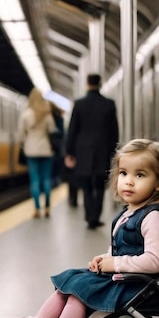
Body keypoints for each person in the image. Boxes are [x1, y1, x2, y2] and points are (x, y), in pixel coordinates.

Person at [0, 139, 159, 318]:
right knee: (70, 282)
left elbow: (154, 261)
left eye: (140, 175)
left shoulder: (155, 217)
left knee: (82, 293)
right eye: (124, 173)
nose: (129, 182)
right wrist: (105, 258)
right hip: (120, 278)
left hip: (135, 284)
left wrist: (115, 263)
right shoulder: (130, 212)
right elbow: (121, 249)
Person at [65, 74, 119, 229]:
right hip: (103, 149)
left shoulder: (79, 104)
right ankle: (95, 216)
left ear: (87, 84)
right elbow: (114, 130)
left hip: (82, 150)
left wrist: (70, 152)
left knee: (86, 185)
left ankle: (89, 216)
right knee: (100, 185)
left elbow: (73, 130)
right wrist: (113, 150)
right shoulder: (109, 104)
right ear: (100, 84)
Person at [18, 88, 58, 218]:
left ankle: (37, 209)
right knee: (46, 179)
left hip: (31, 150)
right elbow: (52, 130)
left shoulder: (26, 114)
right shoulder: (47, 114)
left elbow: (21, 134)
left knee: (34, 180)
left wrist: (24, 144)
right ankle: (47, 207)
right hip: (46, 149)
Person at [48, 102, 65, 186]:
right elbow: (62, 134)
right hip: (57, 146)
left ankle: (51, 182)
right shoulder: (59, 118)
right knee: (56, 165)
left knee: (50, 167)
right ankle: (56, 181)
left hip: (49, 146)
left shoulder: (47, 118)